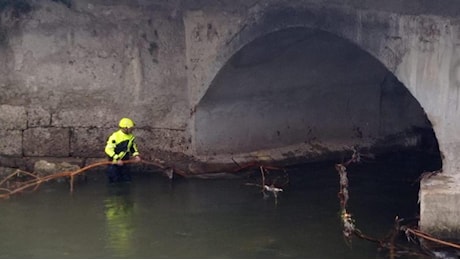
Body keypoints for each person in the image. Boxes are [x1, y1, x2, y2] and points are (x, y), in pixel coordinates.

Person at [104, 117, 141, 183]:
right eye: (130, 128)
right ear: (125, 128)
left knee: (127, 180)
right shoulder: (115, 136)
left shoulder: (131, 136)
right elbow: (108, 149)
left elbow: (132, 147)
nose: (132, 129)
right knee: (114, 181)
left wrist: (136, 155)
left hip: (125, 161)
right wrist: (117, 159)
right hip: (114, 162)